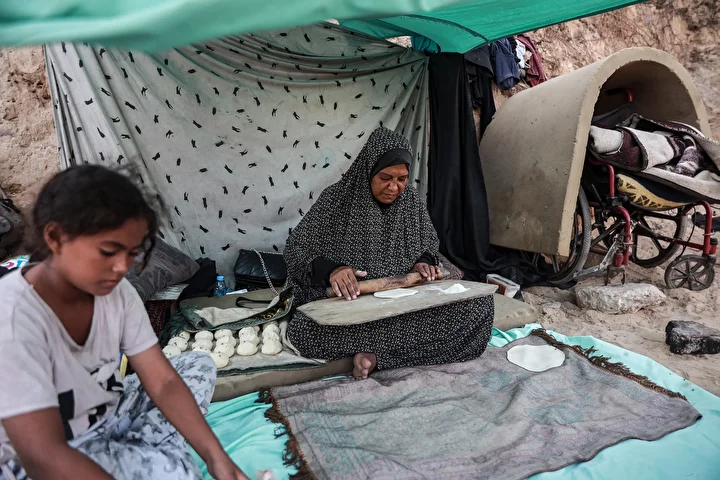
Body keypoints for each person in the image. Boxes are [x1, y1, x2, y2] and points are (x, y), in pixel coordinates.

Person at [0, 165, 257, 480]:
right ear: (55, 237)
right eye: (109, 251)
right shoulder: (12, 320)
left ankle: (139, 457)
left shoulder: (116, 293)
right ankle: (147, 460)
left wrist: (216, 458)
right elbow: (42, 455)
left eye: (132, 253)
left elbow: (162, 382)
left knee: (197, 366)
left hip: (107, 414)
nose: (122, 267)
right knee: (174, 472)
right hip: (45, 454)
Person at [284, 127, 494, 380]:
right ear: (369, 170)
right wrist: (332, 270)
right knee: (304, 332)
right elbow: (295, 249)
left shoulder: (411, 201)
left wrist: (423, 262)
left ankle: (377, 357)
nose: (394, 187)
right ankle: (392, 351)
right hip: (353, 306)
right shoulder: (336, 199)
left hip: (403, 303)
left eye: (402, 179)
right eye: (385, 177)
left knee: (481, 308)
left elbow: (429, 243)